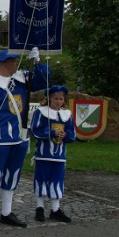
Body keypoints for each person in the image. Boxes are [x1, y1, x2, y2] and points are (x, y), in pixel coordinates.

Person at [0, 48, 49, 230]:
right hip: (0, 138)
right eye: (12, 61)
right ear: (2, 63)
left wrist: (37, 62)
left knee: (13, 174)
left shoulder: (22, 79)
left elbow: (44, 81)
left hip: (20, 137)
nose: (16, 63)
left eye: (15, 61)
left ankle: (6, 213)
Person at [30, 85, 76, 223]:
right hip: (43, 154)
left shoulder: (67, 115)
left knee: (57, 181)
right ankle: (40, 208)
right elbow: (34, 131)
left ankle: (55, 209)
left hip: (59, 156)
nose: (58, 101)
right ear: (49, 98)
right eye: (56, 98)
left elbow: (72, 135)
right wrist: (51, 133)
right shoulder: (41, 112)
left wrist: (65, 134)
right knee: (41, 179)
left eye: (61, 99)